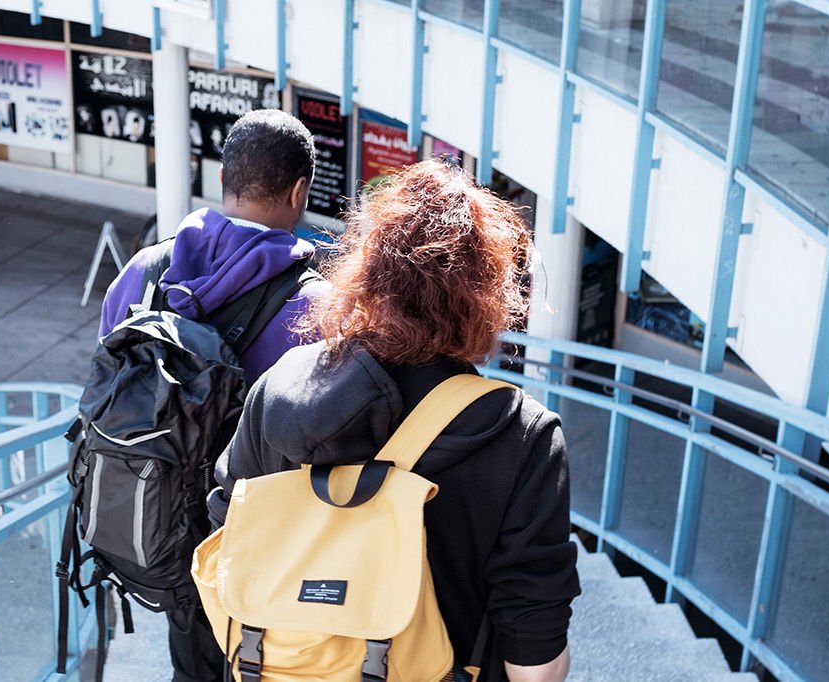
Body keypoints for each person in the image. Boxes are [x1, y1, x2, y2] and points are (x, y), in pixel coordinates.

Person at [211, 159, 580, 681]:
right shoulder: (522, 434)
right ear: (490, 298)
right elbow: (534, 655)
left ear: (366, 270)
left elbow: (228, 539)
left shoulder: (282, 386)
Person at [95, 108, 330, 681]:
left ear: (224, 180)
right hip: (264, 543)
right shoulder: (318, 307)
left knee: (193, 654)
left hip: (163, 521)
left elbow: (107, 375)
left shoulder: (145, 270)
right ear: (299, 191)